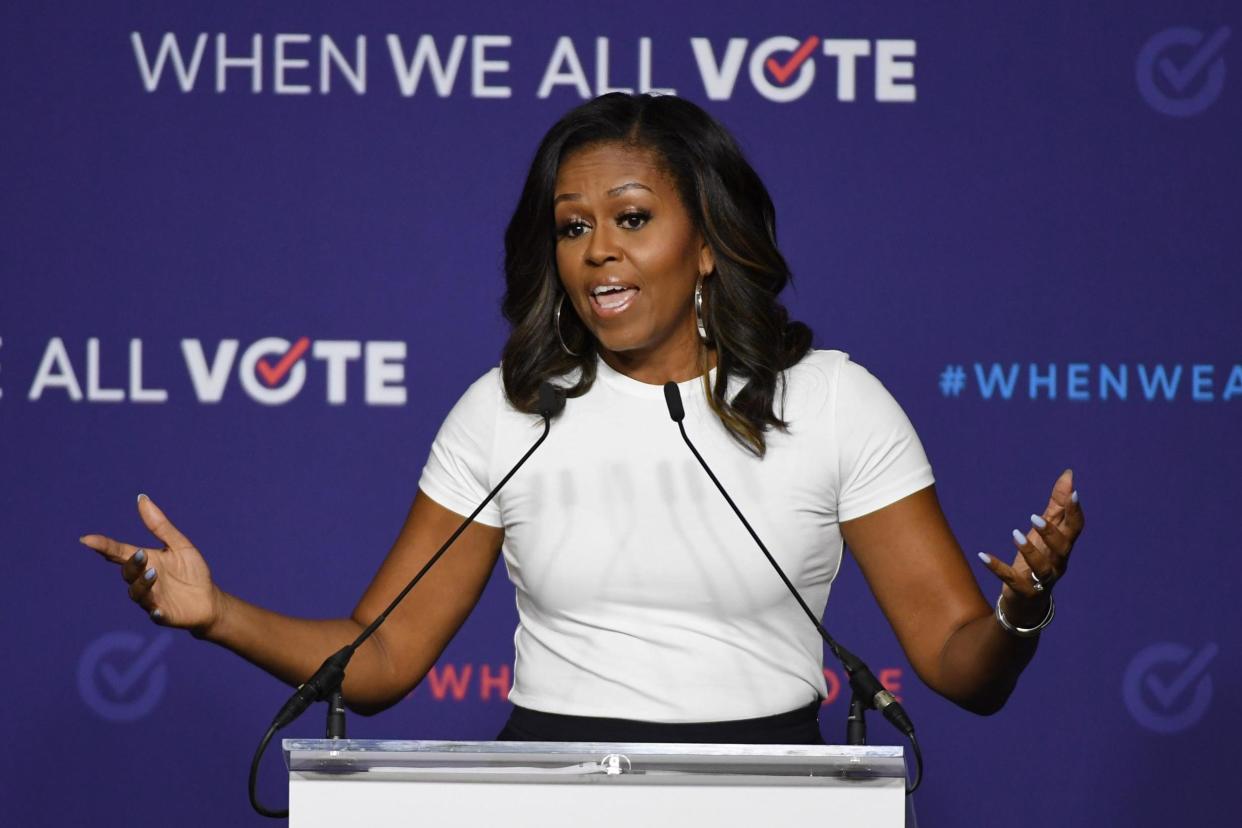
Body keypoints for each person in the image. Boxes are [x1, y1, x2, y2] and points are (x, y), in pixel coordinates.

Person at [80, 93, 1084, 745]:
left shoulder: (827, 402)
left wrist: (1021, 613)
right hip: (542, 787)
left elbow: (962, 664)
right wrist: (219, 616)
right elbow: (377, 661)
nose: (598, 250)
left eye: (633, 218)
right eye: (573, 226)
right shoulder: (511, 412)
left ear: (707, 243)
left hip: (771, 790)